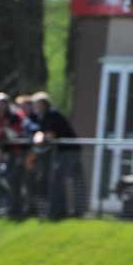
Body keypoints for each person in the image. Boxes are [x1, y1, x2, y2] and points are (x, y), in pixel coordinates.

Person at [31, 91, 85, 219]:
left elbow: (49, 135)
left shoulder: (52, 115)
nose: (35, 108)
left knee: (62, 180)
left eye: (36, 105)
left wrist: (39, 138)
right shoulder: (44, 117)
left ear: (43, 104)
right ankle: (62, 210)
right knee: (59, 180)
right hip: (63, 151)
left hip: (69, 151)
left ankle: (68, 211)